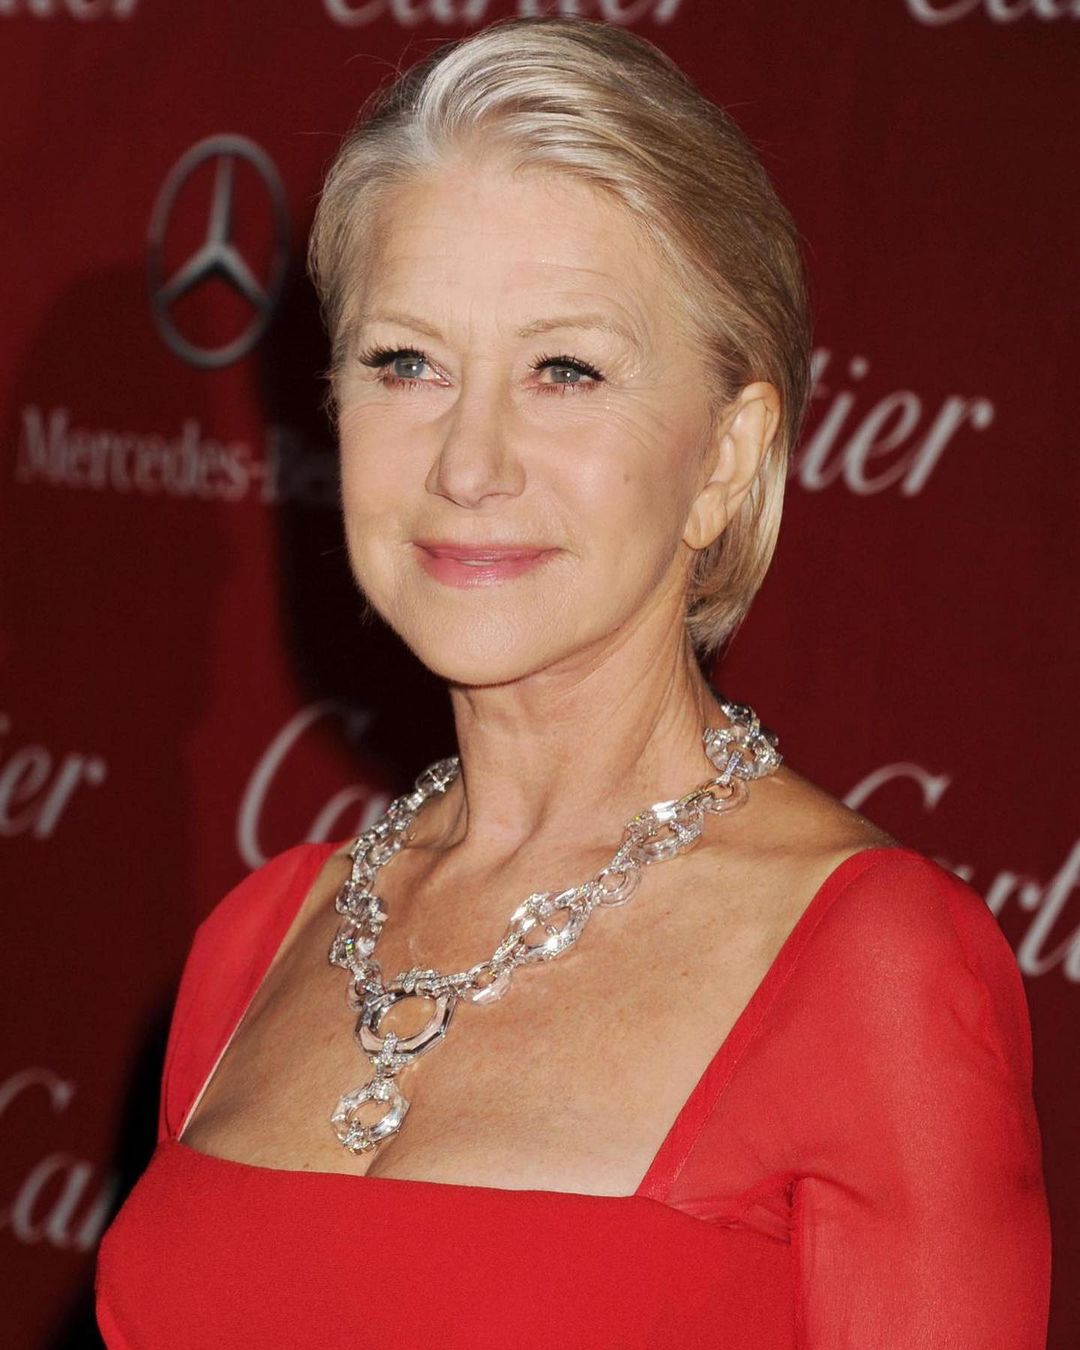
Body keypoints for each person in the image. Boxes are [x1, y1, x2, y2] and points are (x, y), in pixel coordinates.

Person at [94, 15, 1051, 1348]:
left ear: (726, 455)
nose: (467, 463)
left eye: (565, 370)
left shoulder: (874, 965)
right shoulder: (255, 942)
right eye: (407, 362)